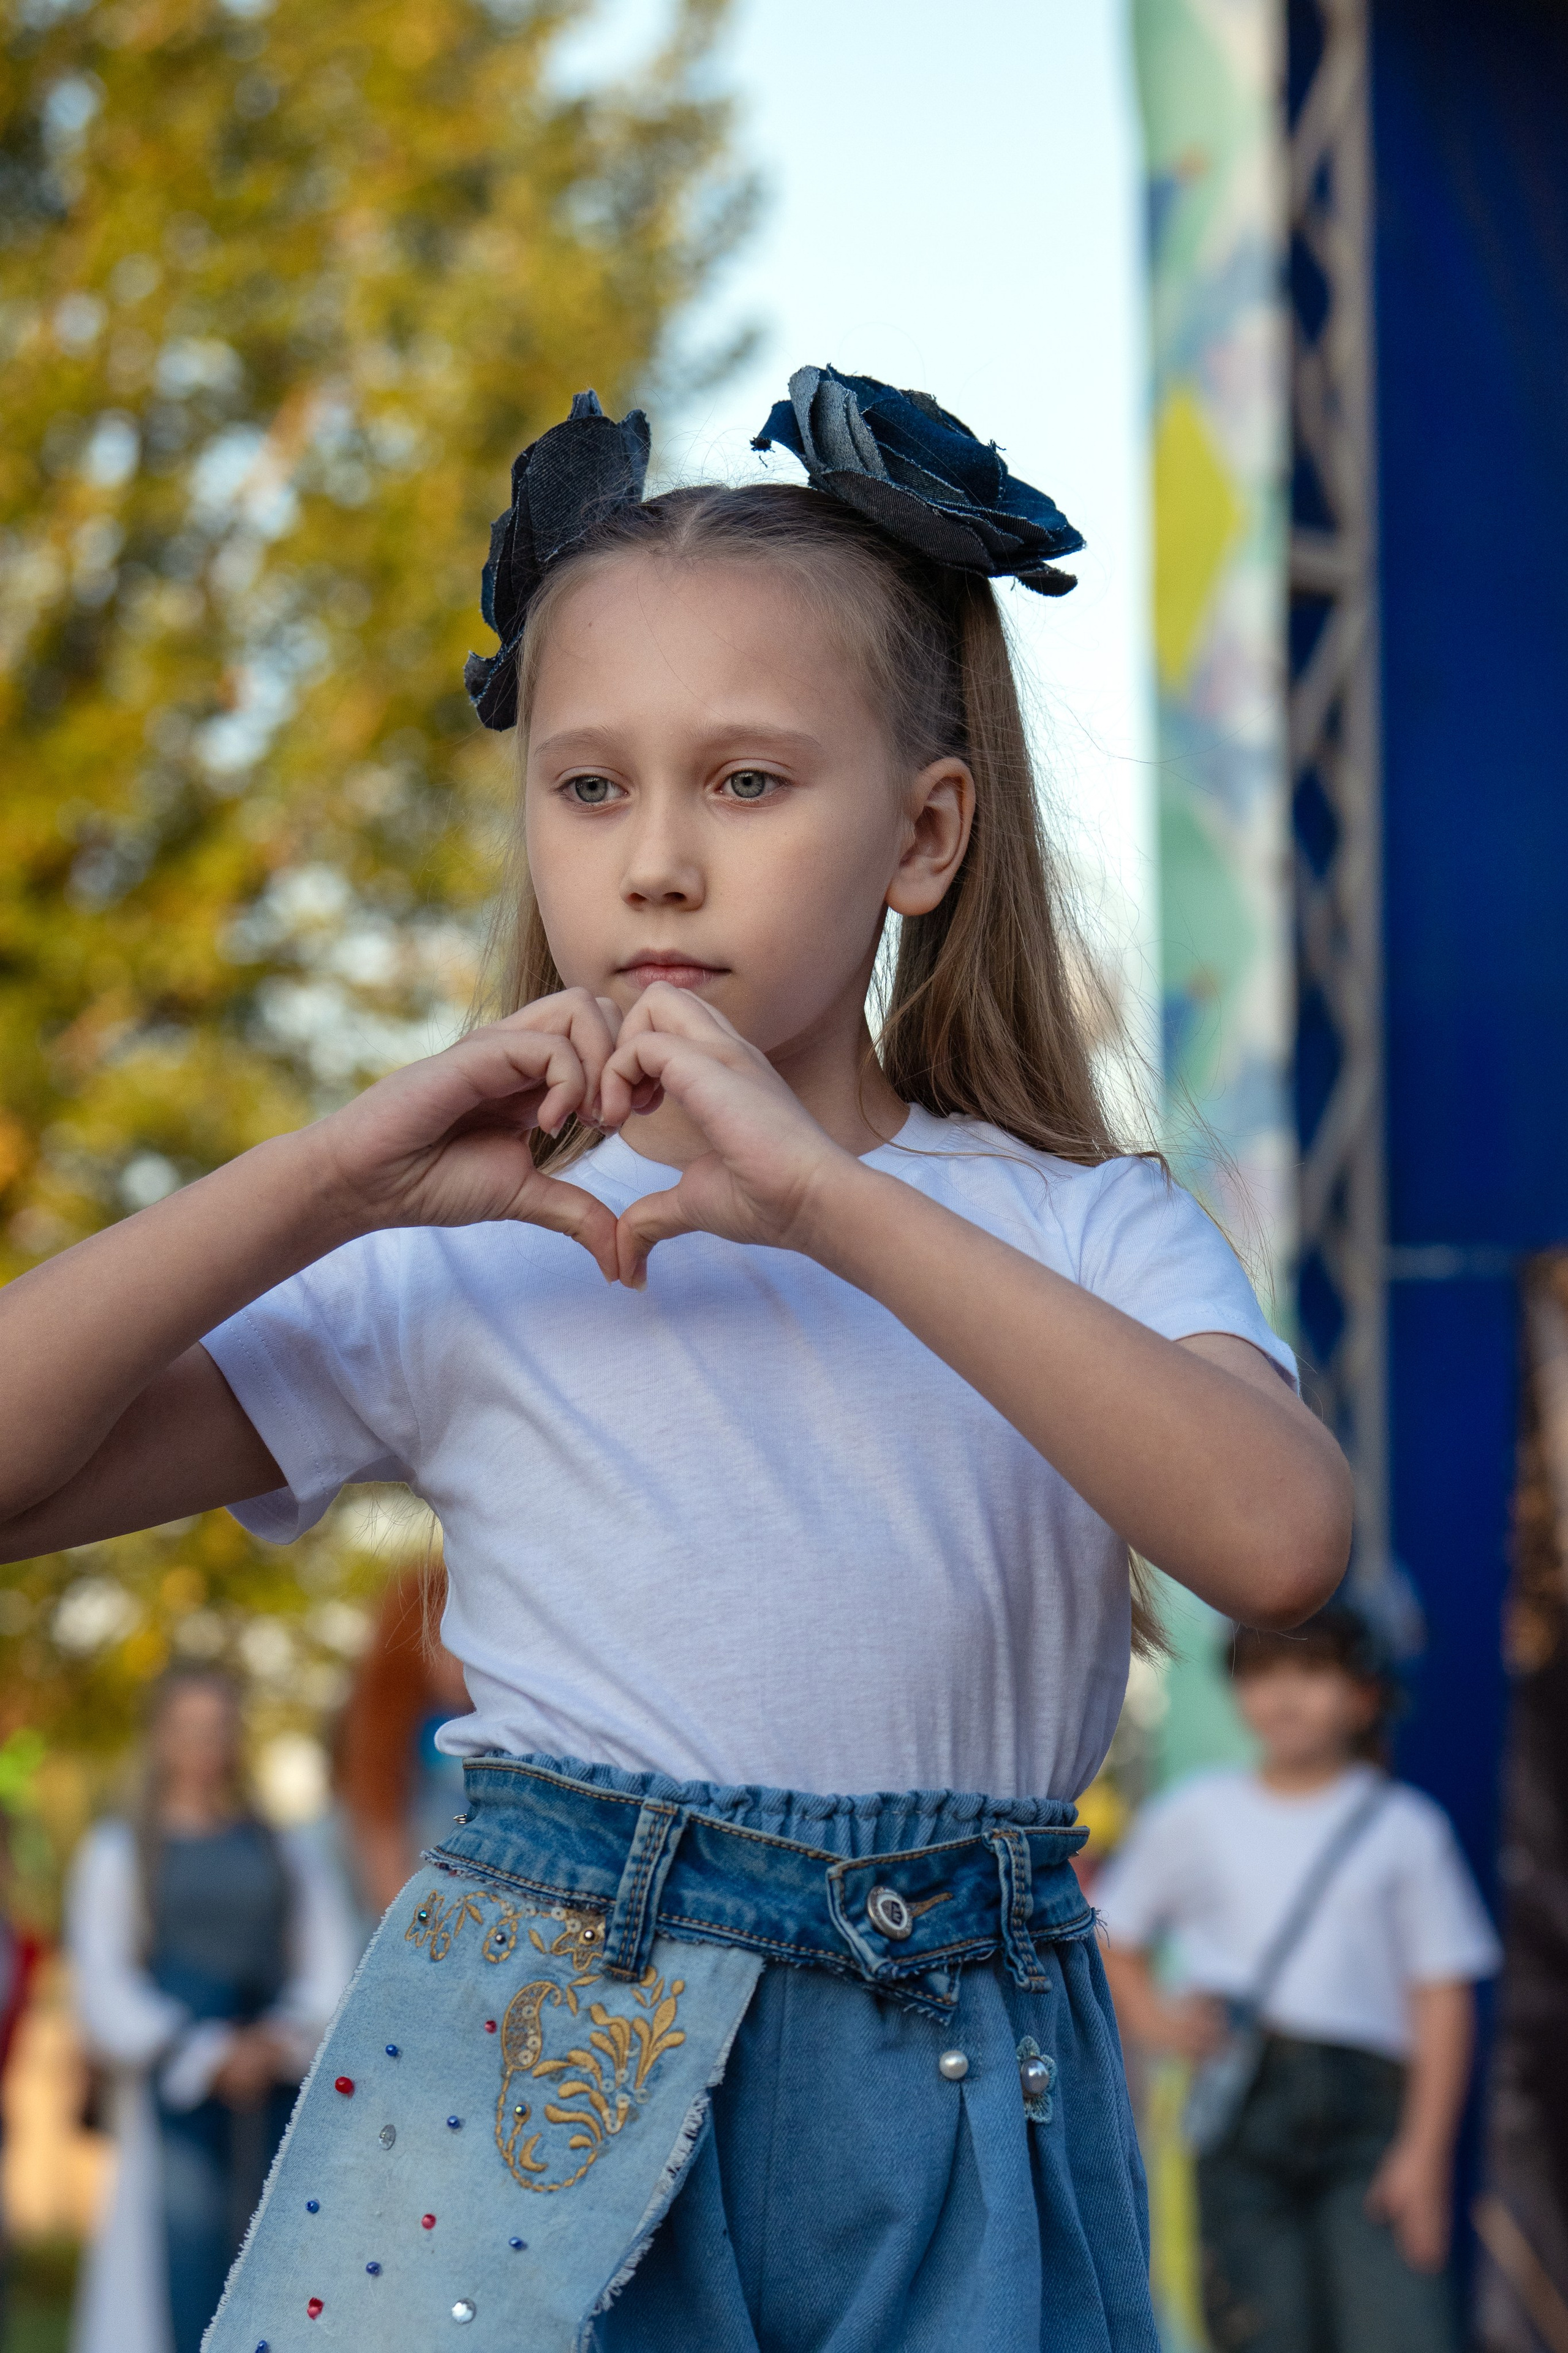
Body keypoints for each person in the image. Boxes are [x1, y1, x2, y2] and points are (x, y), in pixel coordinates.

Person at [0, 366, 1353, 2351]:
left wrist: (827, 1201)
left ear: (924, 831)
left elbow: (1280, 1540)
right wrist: (323, 1178)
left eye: (746, 781)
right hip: (533, 2064)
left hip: (954, 2076)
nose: (653, 861)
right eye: (589, 784)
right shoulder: (460, 1252)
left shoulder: (1077, 1220)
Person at [1098, 1603, 1501, 2353]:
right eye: (1262, 1673)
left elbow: (1441, 1999)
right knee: (1260, 2328)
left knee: (1397, 2329)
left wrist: (1424, 2152)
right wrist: (1153, 2018)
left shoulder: (1406, 1827)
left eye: (1312, 1672)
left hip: (1369, 2121)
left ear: (1362, 1694)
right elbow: (1110, 1927)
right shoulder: (1198, 1814)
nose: (1284, 1696)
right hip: (1238, 2108)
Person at [66, 1666, 356, 2353]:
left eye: (218, 1727)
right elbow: (102, 1981)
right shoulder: (118, 1853)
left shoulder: (284, 1849)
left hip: (275, 2086)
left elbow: (328, 1958)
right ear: (161, 1737)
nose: (204, 1743)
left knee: (274, 2261)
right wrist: (200, 2052)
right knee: (180, 2268)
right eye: (188, 1728)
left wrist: (275, 2041)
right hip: (176, 2092)